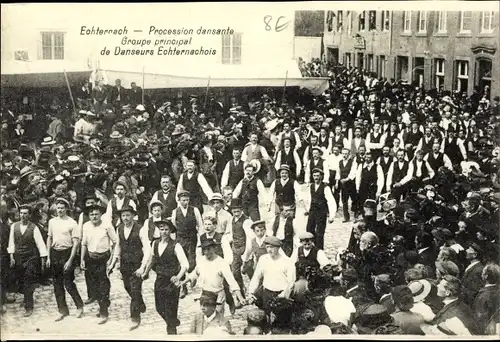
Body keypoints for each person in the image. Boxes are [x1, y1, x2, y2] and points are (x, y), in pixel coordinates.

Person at [142, 219, 188, 335]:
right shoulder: (155, 243)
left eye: (167, 229)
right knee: (159, 307)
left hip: (172, 282)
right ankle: (173, 322)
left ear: (170, 231)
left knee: (170, 309)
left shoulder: (176, 245)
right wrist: (146, 272)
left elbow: (185, 265)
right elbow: (152, 259)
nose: (164, 232)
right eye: (162, 229)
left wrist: (178, 277)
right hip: (160, 279)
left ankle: (172, 332)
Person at [107, 206, 150, 330]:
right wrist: (113, 263)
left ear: (133, 216)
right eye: (123, 216)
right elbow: (118, 246)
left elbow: (147, 248)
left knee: (135, 290)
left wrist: (143, 266)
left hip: (137, 264)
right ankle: (140, 303)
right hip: (125, 265)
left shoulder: (140, 229)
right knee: (128, 287)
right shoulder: (119, 228)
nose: (125, 218)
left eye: (128, 215)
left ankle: (135, 318)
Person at [183, 238, 244, 317]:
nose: (206, 252)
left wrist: (241, 298)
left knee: (217, 319)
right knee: (205, 319)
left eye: (209, 249)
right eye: (204, 250)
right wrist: (183, 282)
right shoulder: (201, 260)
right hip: (205, 295)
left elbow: (231, 281)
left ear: (214, 248)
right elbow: (195, 273)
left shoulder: (222, 263)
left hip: (218, 296)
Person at [46, 198, 83, 321]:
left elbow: (76, 243)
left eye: (62, 208)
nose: (60, 210)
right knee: (57, 284)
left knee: (68, 283)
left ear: (67, 208)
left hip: (67, 253)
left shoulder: (72, 223)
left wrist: (70, 260)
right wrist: (48, 256)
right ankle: (62, 310)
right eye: (58, 208)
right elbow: (49, 238)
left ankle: (79, 306)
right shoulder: (52, 222)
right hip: (55, 253)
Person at [7, 204, 48, 317]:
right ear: (18, 214)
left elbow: (40, 244)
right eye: (21, 213)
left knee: (28, 281)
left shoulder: (34, 228)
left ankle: (29, 307)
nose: (23, 216)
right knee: (21, 281)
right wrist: (11, 256)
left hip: (31, 258)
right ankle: (26, 298)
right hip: (18, 258)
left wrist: (43, 259)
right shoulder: (14, 226)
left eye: (25, 213)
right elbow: (11, 242)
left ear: (29, 215)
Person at [80, 204, 116, 324]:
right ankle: (104, 303)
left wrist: (112, 259)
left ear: (101, 215)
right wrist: (82, 259)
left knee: (102, 285)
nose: (94, 216)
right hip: (91, 258)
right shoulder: (86, 226)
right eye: (91, 214)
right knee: (94, 285)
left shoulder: (106, 226)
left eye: (96, 214)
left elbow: (115, 242)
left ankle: (104, 312)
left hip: (103, 258)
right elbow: (84, 244)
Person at [247, 236, 295, 316]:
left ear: (278, 248)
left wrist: (283, 295)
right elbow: (256, 277)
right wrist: (251, 292)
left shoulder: (287, 261)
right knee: (266, 318)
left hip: (281, 295)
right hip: (267, 294)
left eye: (272, 247)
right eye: (267, 247)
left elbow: (291, 282)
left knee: (281, 322)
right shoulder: (263, 259)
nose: (269, 250)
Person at [170, 190, 203, 298]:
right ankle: (183, 288)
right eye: (183, 200)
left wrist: (201, 239)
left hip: (192, 239)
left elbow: (200, 224)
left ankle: (192, 277)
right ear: (179, 200)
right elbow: (174, 225)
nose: (185, 202)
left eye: (187, 200)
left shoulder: (195, 210)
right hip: (180, 239)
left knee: (191, 262)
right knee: (181, 264)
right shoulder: (175, 211)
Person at [304, 168, 336, 249]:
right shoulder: (311, 186)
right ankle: (311, 248)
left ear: (321, 176)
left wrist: (332, 216)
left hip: (321, 213)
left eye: (318, 176)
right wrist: (307, 209)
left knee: (319, 233)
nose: (316, 178)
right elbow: (309, 199)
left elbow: (331, 202)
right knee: (309, 230)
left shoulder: (325, 187)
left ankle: (319, 250)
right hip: (312, 212)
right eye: (314, 176)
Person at [227, 198, 253, 298]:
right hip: (235, 249)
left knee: (250, 272)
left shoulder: (246, 221)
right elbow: (231, 233)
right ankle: (241, 295)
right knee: (235, 273)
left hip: (245, 249)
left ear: (241, 209)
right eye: (234, 210)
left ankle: (257, 293)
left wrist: (247, 254)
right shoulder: (232, 219)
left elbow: (250, 238)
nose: (236, 212)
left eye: (238, 210)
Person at [473, 263, 500, 335]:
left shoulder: (483, 296)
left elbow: (479, 320)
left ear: (486, 276)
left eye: (483, 272)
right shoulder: (497, 291)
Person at [336, 148, 358, 222]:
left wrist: (346, 179)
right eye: (343, 153)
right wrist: (337, 182)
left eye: (346, 153)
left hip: (351, 184)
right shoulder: (340, 162)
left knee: (354, 199)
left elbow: (353, 173)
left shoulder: (353, 162)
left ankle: (356, 216)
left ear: (349, 154)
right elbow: (338, 173)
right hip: (343, 185)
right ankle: (346, 217)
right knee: (344, 200)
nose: (344, 155)